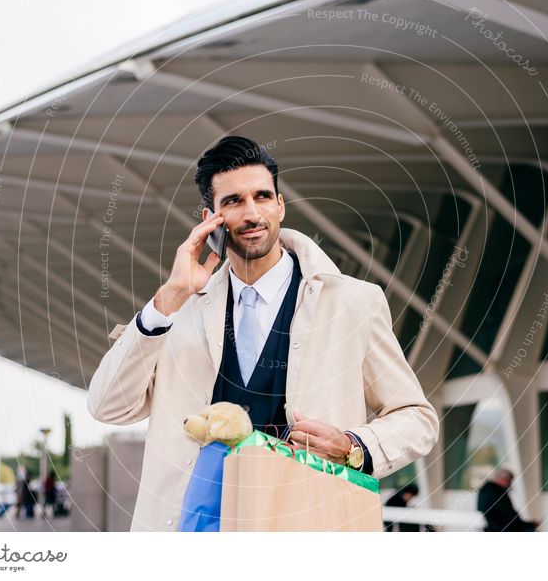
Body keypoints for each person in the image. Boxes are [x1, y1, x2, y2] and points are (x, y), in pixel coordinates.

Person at [87, 135, 439, 531]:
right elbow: (106, 406)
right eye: (233, 201)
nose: (252, 213)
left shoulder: (353, 302)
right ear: (210, 218)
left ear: (281, 204)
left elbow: (417, 419)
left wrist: (353, 446)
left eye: (262, 196)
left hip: (309, 530)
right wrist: (168, 299)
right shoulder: (177, 311)